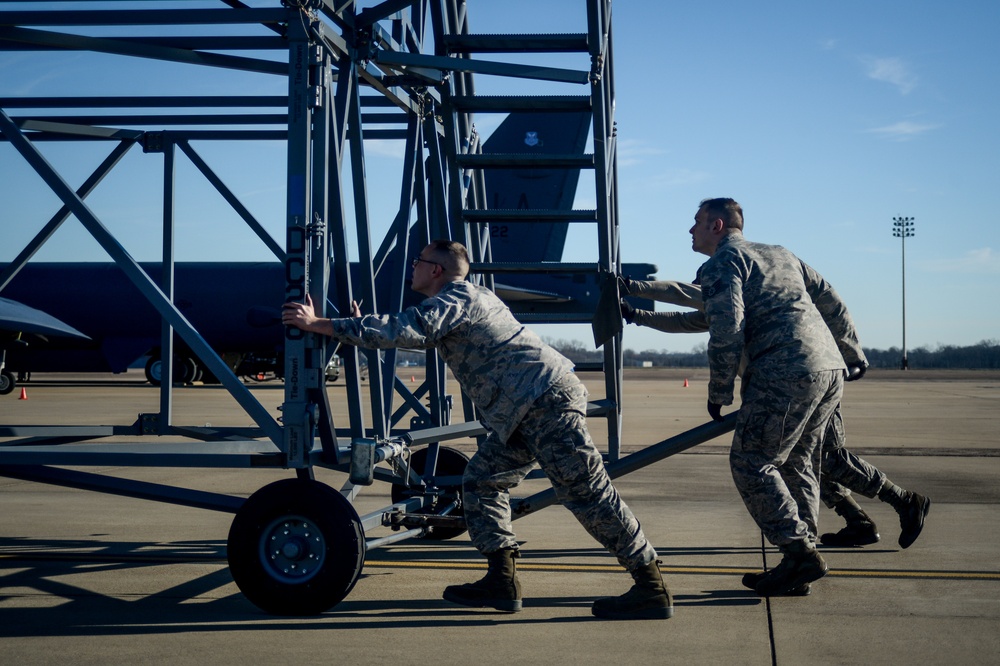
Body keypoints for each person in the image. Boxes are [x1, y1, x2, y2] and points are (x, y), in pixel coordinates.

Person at [282, 239, 672, 620]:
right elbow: (417, 333)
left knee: (587, 492)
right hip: (522, 410)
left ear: (436, 270)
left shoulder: (458, 299)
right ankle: (501, 581)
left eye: (418, 261)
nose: (413, 267)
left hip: (542, 401)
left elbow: (408, 329)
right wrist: (353, 325)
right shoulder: (464, 299)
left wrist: (321, 324)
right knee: (481, 481)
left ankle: (651, 586)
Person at [619, 279, 931, 552]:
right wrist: (636, 316)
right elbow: (684, 321)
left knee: (828, 458)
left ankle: (904, 500)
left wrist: (634, 287)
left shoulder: (735, 293)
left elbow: (683, 295)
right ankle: (856, 520)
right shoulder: (726, 309)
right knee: (804, 458)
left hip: (804, 381)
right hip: (789, 387)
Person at [682, 197, 869, 597]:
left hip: (783, 369)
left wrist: (719, 389)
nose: (690, 230)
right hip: (827, 368)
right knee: (798, 461)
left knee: (751, 463)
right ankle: (801, 559)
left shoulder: (723, 263)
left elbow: (726, 328)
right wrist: (852, 352)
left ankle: (798, 553)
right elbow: (830, 298)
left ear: (717, 226)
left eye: (696, 222)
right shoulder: (780, 253)